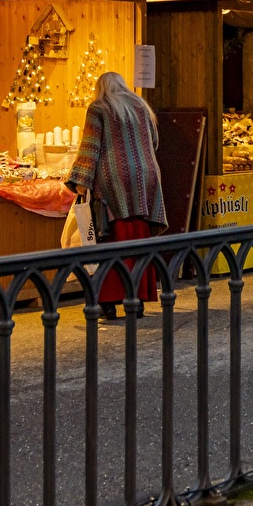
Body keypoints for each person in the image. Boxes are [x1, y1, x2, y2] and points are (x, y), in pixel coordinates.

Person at [66, 72, 167, 321]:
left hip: (113, 179)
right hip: (145, 177)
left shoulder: (98, 108)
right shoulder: (141, 107)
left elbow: (91, 147)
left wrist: (79, 182)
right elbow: (153, 142)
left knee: (110, 238)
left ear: (100, 88)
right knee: (138, 238)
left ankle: (108, 303)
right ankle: (138, 301)